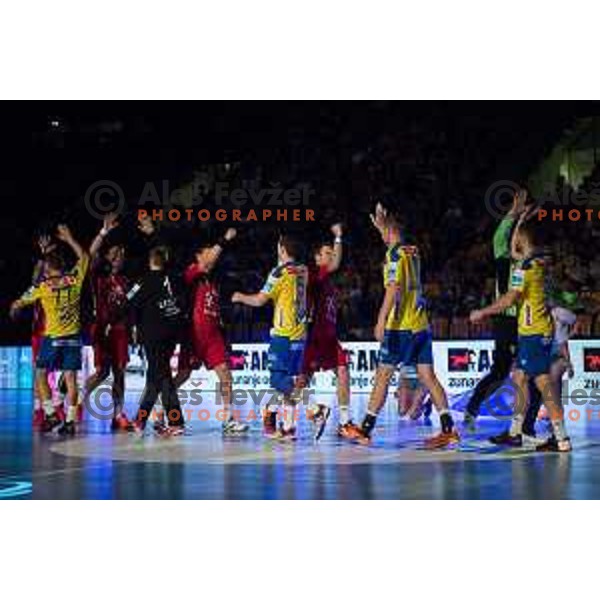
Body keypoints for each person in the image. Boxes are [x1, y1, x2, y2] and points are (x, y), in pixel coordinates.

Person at [351, 205, 459, 448]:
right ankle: (448, 429)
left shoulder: (393, 255)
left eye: (382, 232)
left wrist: (380, 320)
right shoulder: (413, 251)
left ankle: (365, 430)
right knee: (429, 377)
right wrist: (383, 224)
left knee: (382, 377)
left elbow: (393, 288)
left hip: (400, 327)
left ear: (390, 230)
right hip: (420, 324)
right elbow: (394, 247)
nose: (380, 236)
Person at [470, 216, 571, 452]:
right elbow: (517, 249)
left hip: (533, 331)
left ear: (522, 242)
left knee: (543, 383)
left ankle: (561, 437)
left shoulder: (524, 267)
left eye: (515, 241)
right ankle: (515, 432)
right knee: (519, 378)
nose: (511, 247)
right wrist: (520, 219)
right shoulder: (538, 263)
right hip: (539, 329)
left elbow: (510, 298)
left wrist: (483, 312)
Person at [464, 189, 543, 438]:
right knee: (503, 371)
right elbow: (502, 237)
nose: (514, 240)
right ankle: (473, 411)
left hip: (527, 321)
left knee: (532, 376)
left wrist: (520, 219)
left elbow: (516, 238)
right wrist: (514, 215)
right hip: (507, 321)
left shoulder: (528, 262)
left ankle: (524, 428)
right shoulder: (505, 259)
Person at [11, 225, 89, 435]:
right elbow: (84, 256)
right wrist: (70, 238)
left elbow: (20, 302)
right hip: (73, 337)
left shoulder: (43, 287)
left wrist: (15, 306)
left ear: (47, 268)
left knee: (39, 373)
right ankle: (71, 421)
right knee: (71, 379)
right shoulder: (75, 280)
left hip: (53, 338)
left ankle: (50, 414)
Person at [232, 233, 308, 441]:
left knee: (277, 380)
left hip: (283, 334)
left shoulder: (278, 273)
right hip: (300, 334)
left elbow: (259, 300)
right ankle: (288, 428)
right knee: (287, 380)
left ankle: (313, 410)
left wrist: (239, 296)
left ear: (282, 250)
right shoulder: (303, 270)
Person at [174, 228, 249, 436]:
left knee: (225, 374)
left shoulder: (213, 281)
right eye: (209, 251)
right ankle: (164, 408)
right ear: (199, 255)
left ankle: (228, 419)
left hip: (213, 335)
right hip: (194, 334)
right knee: (183, 375)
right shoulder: (192, 271)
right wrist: (224, 239)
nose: (213, 256)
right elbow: (207, 263)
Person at [300, 223, 357, 440]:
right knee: (299, 383)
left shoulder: (329, 282)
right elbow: (334, 265)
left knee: (343, 370)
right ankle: (314, 410)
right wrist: (339, 238)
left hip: (329, 338)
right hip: (313, 338)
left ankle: (344, 422)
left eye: (332, 252)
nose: (331, 256)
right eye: (327, 253)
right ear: (317, 257)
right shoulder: (315, 273)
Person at [127, 246, 186, 437]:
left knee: (161, 379)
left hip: (153, 337)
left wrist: (132, 325)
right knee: (158, 376)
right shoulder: (173, 279)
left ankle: (169, 422)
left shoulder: (143, 281)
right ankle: (142, 419)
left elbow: (128, 303)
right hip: (171, 335)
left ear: (150, 261)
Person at [83, 214, 132, 431]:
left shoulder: (125, 280)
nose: (119, 257)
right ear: (108, 257)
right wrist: (103, 232)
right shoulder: (97, 275)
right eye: (115, 254)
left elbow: (128, 307)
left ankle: (118, 414)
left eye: (122, 254)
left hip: (120, 331)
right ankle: (74, 402)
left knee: (120, 372)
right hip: (101, 329)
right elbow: (89, 255)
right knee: (103, 372)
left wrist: (134, 327)